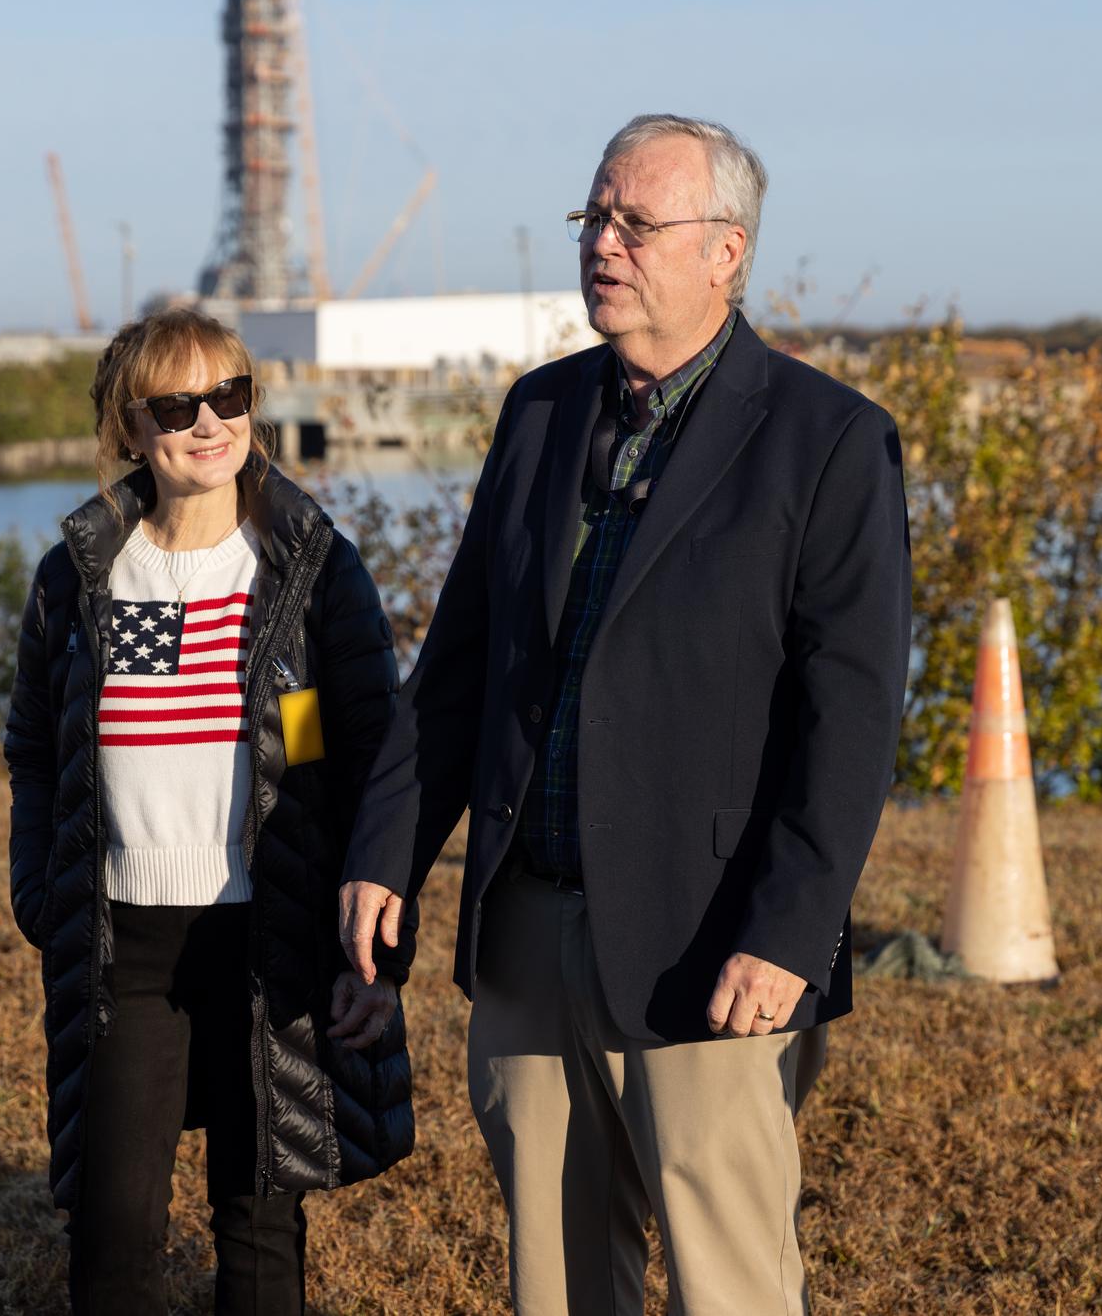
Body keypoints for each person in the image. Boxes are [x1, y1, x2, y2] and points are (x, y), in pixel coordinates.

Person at [339, 114, 912, 1314]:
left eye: (635, 222)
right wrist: (388, 848)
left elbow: (849, 720)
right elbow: (458, 668)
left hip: (707, 947)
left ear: (726, 252)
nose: (603, 242)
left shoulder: (829, 440)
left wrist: (790, 932)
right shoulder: (539, 414)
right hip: (529, 929)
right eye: (593, 217)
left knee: (730, 1284)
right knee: (554, 1284)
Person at [4, 308, 414, 1316]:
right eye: (176, 404)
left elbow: (375, 761)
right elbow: (29, 750)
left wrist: (379, 955)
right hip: (124, 942)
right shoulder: (79, 575)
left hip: (269, 934)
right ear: (127, 425)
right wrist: (36, 891)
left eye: (229, 395)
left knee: (260, 1215)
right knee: (114, 1230)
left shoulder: (313, 569)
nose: (208, 423)